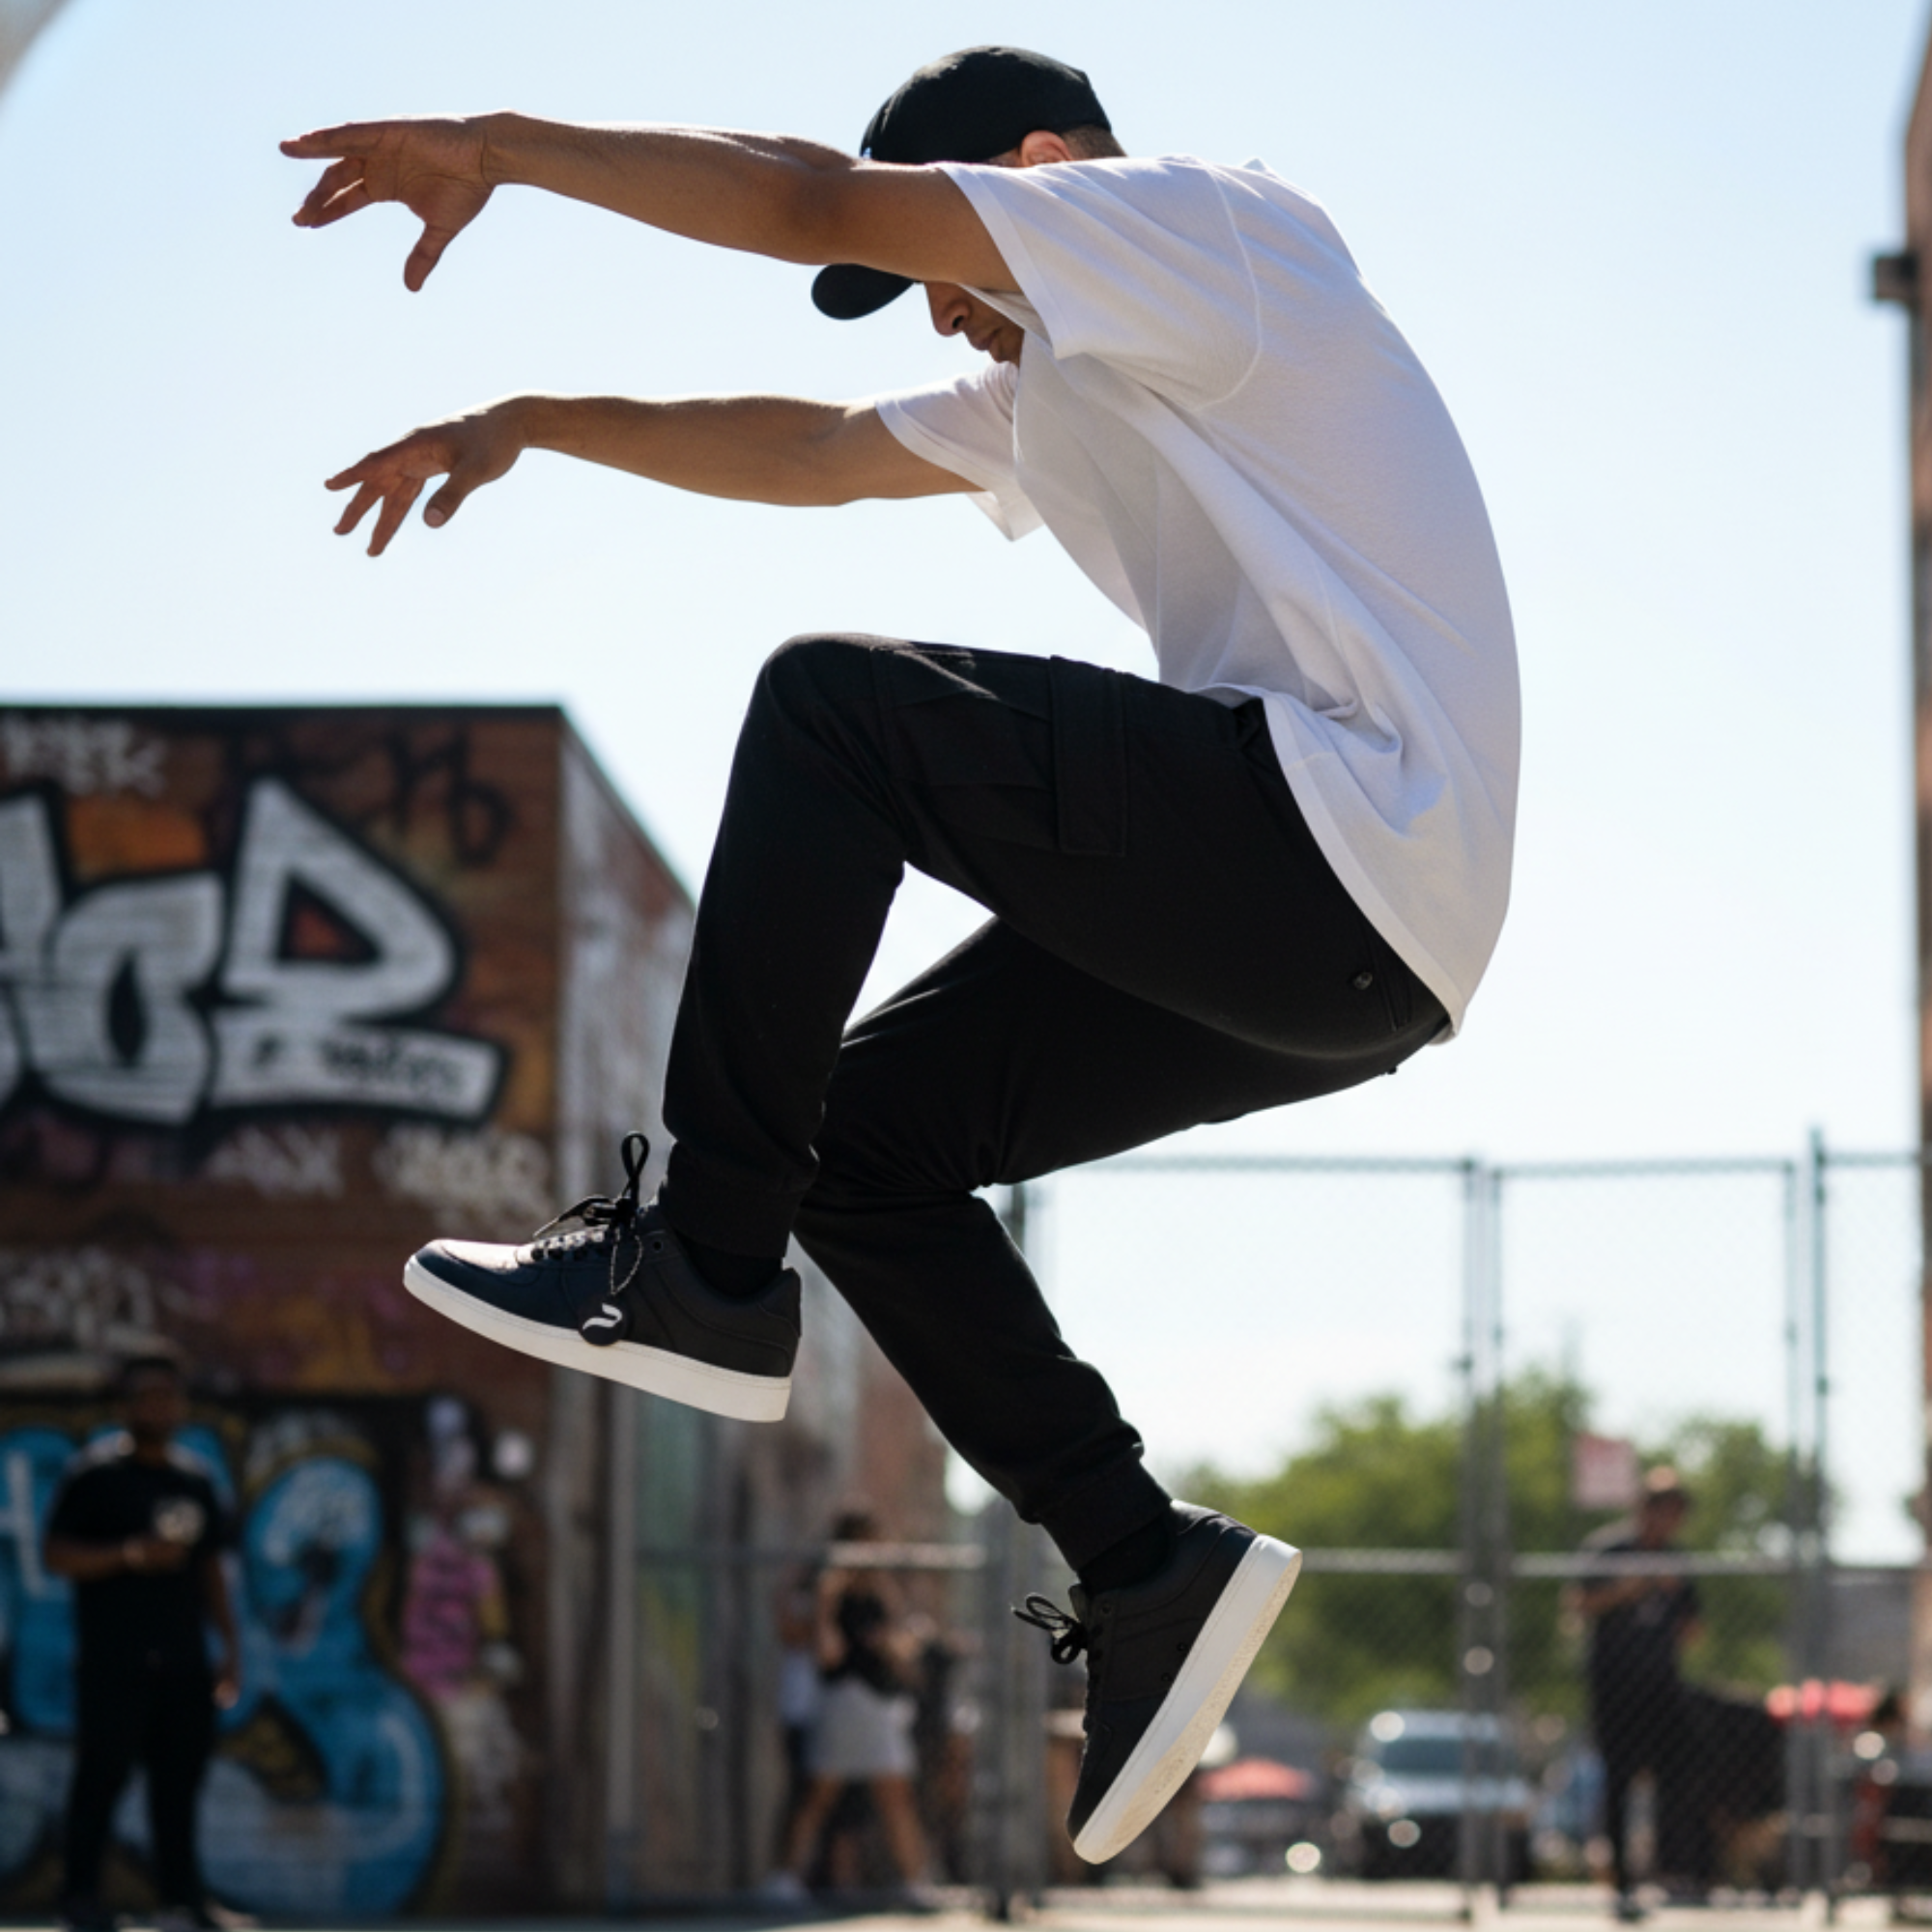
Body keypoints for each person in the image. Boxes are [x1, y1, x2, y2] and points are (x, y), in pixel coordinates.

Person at [283, 42, 1519, 1862]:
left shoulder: (1190, 230)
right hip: (1346, 947)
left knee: (834, 715)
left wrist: (500, 150)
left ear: (1036, 170)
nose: (947, 321)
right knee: (854, 1148)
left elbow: (796, 195)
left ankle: (698, 1267)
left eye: (949, 270)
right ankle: (1139, 1559)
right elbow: (812, 448)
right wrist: (534, 420)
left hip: (1336, 836)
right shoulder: (1068, 383)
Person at [43, 1353, 240, 1932]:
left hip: (183, 1661)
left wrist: (230, 1649)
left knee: (179, 1785)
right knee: (100, 1778)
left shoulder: (196, 1480)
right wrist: (129, 1554)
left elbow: (210, 1572)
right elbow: (56, 1555)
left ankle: (183, 1899)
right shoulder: (93, 1477)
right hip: (113, 1662)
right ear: (124, 1407)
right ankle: (80, 1896)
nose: (160, 1406)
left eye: (169, 1395)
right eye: (147, 1395)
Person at [768, 1510, 927, 1900]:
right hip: (842, 1702)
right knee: (819, 1793)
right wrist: (825, 1601)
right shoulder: (827, 1590)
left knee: (895, 1796)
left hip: (880, 1704)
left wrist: (894, 1638)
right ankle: (784, 1880)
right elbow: (826, 1655)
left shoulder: (881, 1591)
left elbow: (902, 1653)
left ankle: (915, 1882)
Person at [1575, 1466, 1706, 1918]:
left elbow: (1694, 1631)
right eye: (1662, 1510)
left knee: (1678, 1775)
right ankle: (1622, 1881)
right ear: (1644, 1509)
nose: (1668, 1521)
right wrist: (1626, 1589)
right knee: (1619, 1779)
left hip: (1662, 1685)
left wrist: (1670, 1592)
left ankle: (1672, 1871)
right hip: (1614, 1684)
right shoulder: (1609, 1549)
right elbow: (1576, 1606)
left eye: (1676, 1513)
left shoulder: (1676, 1558)